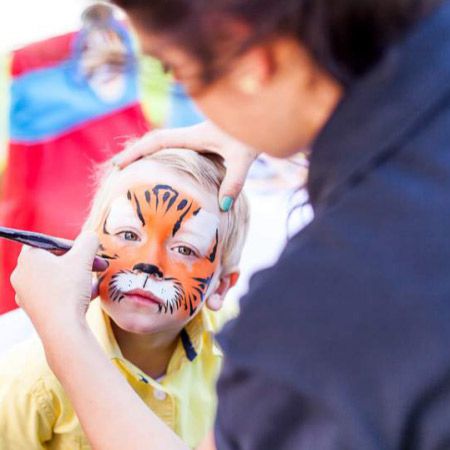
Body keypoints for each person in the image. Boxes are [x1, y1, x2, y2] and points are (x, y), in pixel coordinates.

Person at [11, 0, 450, 449]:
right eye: (128, 234)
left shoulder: (301, 332)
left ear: (254, 67)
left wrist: (63, 333)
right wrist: (264, 121)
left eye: (175, 70)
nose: (148, 264)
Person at [1, 148, 248, 449]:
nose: (149, 264)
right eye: (129, 235)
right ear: (85, 248)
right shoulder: (28, 380)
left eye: (185, 249)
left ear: (221, 287)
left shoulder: (241, 349)